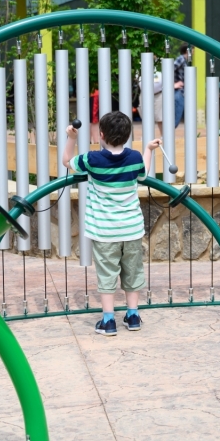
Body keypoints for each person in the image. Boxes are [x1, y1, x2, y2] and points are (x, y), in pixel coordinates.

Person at [63, 111, 160, 336]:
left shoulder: (92, 159)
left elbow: (67, 161)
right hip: (132, 229)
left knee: (107, 273)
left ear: (101, 135)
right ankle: (133, 315)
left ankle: (109, 320)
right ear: (127, 136)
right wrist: (149, 149)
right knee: (133, 272)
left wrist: (72, 138)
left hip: (105, 232)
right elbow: (143, 174)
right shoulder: (135, 158)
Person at [154, 46, 187, 138]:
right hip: (178, 92)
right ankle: (166, 136)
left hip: (181, 92)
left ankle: (166, 136)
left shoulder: (184, 60)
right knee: (175, 117)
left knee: (176, 117)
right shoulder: (181, 59)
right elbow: (169, 70)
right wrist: (172, 84)